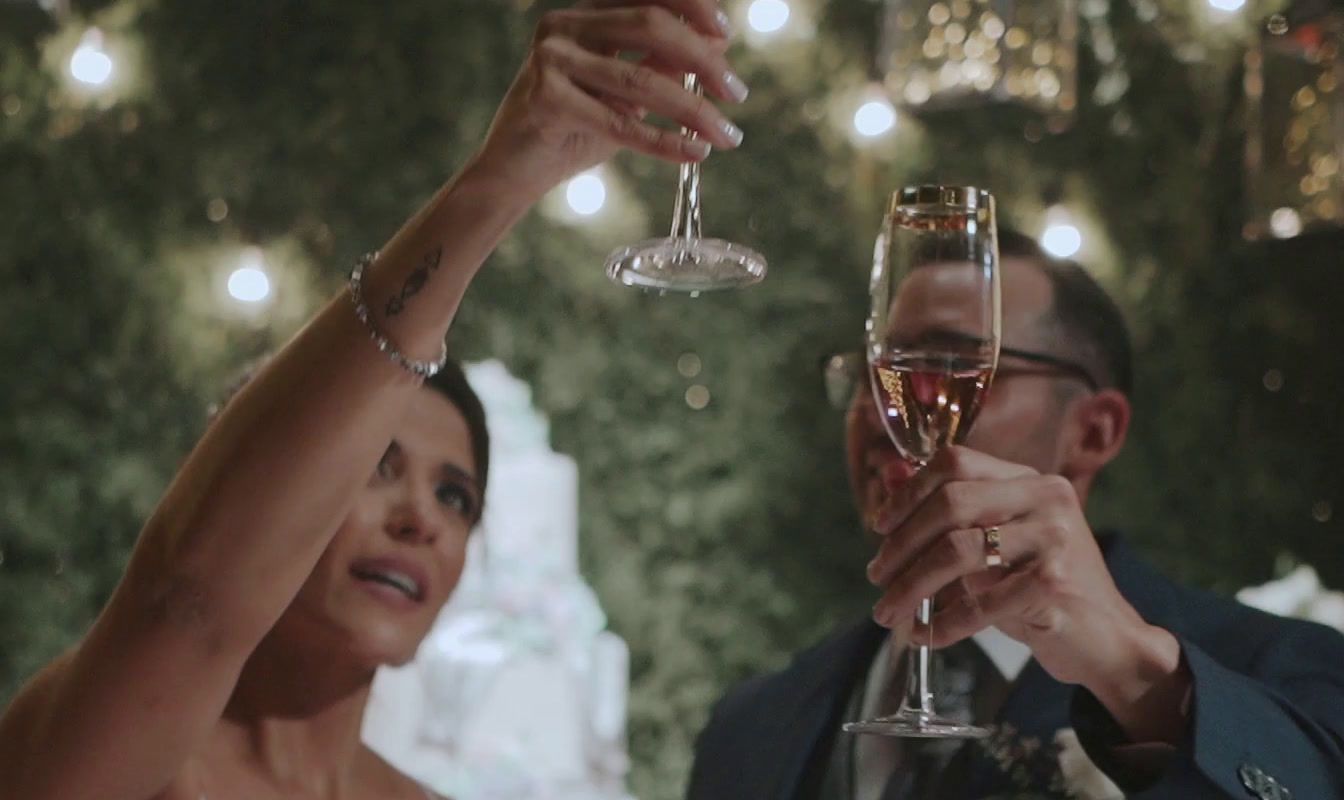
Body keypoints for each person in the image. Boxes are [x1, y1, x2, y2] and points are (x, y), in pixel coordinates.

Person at [0, 2, 748, 798]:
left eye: (456, 496)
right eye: (378, 468)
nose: (418, 520)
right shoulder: (112, 759)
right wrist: (508, 173)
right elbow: (188, 600)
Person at [686, 231, 1344, 799]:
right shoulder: (754, 722)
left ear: (1093, 431)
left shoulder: (1285, 672)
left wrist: (1138, 680)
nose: (889, 409)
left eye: (946, 364)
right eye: (874, 371)